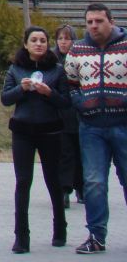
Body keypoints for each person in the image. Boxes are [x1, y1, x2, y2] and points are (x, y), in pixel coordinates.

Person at [64, 3, 127, 255]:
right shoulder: (77, 50)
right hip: (91, 127)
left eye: (99, 21)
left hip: (123, 124)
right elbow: (70, 84)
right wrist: (80, 102)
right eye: (89, 22)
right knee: (94, 183)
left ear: (111, 21)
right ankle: (96, 236)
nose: (93, 26)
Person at [1, 25, 69, 253]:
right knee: (23, 182)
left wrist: (48, 93)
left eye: (42, 40)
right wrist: (21, 89)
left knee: (53, 181)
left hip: (50, 131)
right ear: (26, 44)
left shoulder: (57, 70)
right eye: (34, 40)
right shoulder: (16, 69)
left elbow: (65, 102)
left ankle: (60, 227)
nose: (39, 44)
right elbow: (5, 99)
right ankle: (21, 236)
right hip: (22, 132)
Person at [54, 24, 85, 208]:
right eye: (60, 38)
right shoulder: (51, 59)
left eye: (67, 38)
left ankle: (81, 188)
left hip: (79, 112)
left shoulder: (80, 57)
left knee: (80, 152)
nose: (63, 42)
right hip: (60, 113)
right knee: (64, 153)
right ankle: (64, 190)